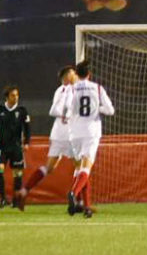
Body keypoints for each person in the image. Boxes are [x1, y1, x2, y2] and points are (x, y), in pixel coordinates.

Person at [16, 65, 80, 211]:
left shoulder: (64, 90)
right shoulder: (67, 89)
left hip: (58, 133)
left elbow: (56, 109)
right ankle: (79, 201)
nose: (74, 75)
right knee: (81, 166)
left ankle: (24, 191)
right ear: (67, 76)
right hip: (69, 134)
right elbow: (54, 110)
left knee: (49, 167)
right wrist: (68, 114)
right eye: (71, 73)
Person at [64, 60, 115, 218]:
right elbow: (110, 110)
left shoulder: (71, 89)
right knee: (86, 168)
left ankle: (85, 206)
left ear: (77, 75)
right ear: (89, 74)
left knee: (80, 169)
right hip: (91, 132)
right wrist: (97, 108)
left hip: (74, 132)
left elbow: (67, 111)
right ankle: (73, 193)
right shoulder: (97, 88)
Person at [0, 85, 31, 208]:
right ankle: (2, 198)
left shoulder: (22, 111)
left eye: (17, 95)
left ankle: (16, 200)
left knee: (17, 174)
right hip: (1, 146)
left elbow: (27, 129)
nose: (15, 98)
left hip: (16, 147)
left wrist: (27, 142)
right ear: (6, 97)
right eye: (12, 95)